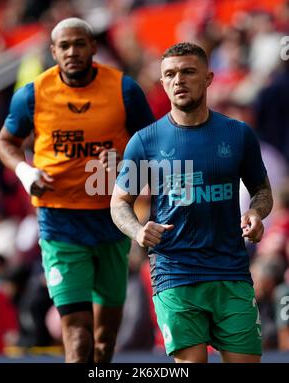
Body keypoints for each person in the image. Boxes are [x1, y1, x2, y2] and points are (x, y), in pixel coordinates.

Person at [0, 17, 154, 363]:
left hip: (113, 220)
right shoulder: (34, 95)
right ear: (53, 51)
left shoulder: (124, 90)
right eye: (63, 46)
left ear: (93, 47)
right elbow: (6, 141)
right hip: (59, 223)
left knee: (103, 340)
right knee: (77, 333)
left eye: (79, 44)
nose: (72, 52)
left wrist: (145, 196)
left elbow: (153, 144)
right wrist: (24, 170)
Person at [110, 42, 273, 363]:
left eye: (188, 72)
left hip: (232, 272)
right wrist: (138, 232)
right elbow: (119, 203)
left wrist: (256, 212)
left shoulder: (238, 134)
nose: (178, 81)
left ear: (209, 78)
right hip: (175, 272)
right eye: (169, 74)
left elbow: (262, 190)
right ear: (162, 83)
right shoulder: (145, 141)